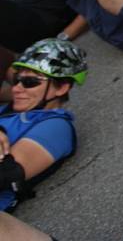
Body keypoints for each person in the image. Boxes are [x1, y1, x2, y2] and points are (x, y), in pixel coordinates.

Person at [0, 39, 87, 211]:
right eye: (17, 79)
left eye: (30, 82)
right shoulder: (10, 111)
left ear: (61, 88)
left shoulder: (56, 126)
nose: (16, 88)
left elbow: (7, 175)